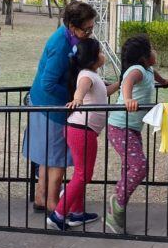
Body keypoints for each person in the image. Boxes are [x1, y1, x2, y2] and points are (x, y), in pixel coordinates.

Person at [23, 1, 97, 212]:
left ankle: (41, 197)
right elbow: (48, 83)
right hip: (51, 108)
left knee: (49, 156)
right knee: (57, 158)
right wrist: (74, 96)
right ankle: (52, 203)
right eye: (87, 29)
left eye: (92, 27)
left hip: (49, 106)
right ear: (72, 27)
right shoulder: (60, 44)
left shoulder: (68, 37)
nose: (90, 32)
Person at [46, 38, 119, 230]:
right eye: (101, 52)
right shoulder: (86, 75)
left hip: (82, 130)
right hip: (81, 131)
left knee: (81, 173)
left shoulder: (93, 76)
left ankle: (77, 213)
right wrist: (76, 99)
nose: (103, 55)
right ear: (93, 58)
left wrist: (121, 83)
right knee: (83, 174)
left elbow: (105, 91)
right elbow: (81, 90)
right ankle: (58, 215)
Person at [105, 34, 168, 234]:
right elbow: (127, 83)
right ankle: (117, 202)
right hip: (119, 126)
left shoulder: (149, 70)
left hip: (132, 128)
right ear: (143, 57)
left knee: (131, 166)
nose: (155, 51)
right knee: (139, 166)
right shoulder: (136, 70)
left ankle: (117, 210)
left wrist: (165, 81)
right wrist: (127, 99)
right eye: (151, 49)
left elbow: (157, 76)